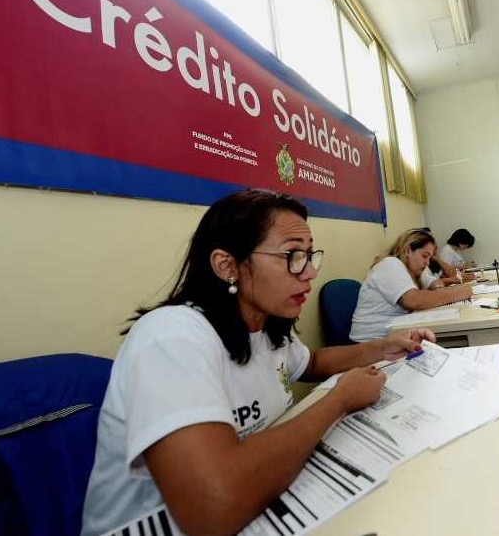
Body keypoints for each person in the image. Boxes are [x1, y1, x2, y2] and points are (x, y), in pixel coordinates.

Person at [80, 189, 436, 536]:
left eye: (310, 256)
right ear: (227, 265)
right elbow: (212, 507)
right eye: (292, 256)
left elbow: (311, 361)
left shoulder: (262, 322)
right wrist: (339, 400)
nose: (310, 272)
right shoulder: (170, 336)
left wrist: (383, 348)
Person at [350, 228, 474, 342]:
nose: (427, 262)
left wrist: (439, 290)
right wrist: (460, 292)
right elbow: (414, 300)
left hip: (395, 337)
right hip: (370, 344)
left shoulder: (414, 268)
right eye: (425, 256)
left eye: (430, 258)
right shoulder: (390, 264)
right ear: (407, 251)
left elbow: (435, 283)